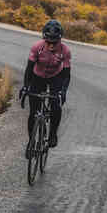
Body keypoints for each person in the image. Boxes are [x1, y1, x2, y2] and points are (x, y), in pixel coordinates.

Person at [19, 19, 71, 153]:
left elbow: (66, 74)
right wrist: (26, 87)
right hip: (37, 76)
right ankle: (31, 141)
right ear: (44, 39)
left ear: (60, 40)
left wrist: (63, 91)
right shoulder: (37, 47)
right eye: (48, 42)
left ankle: (53, 134)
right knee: (33, 112)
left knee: (55, 106)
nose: (51, 45)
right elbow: (29, 69)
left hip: (56, 77)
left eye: (55, 42)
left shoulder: (65, 51)